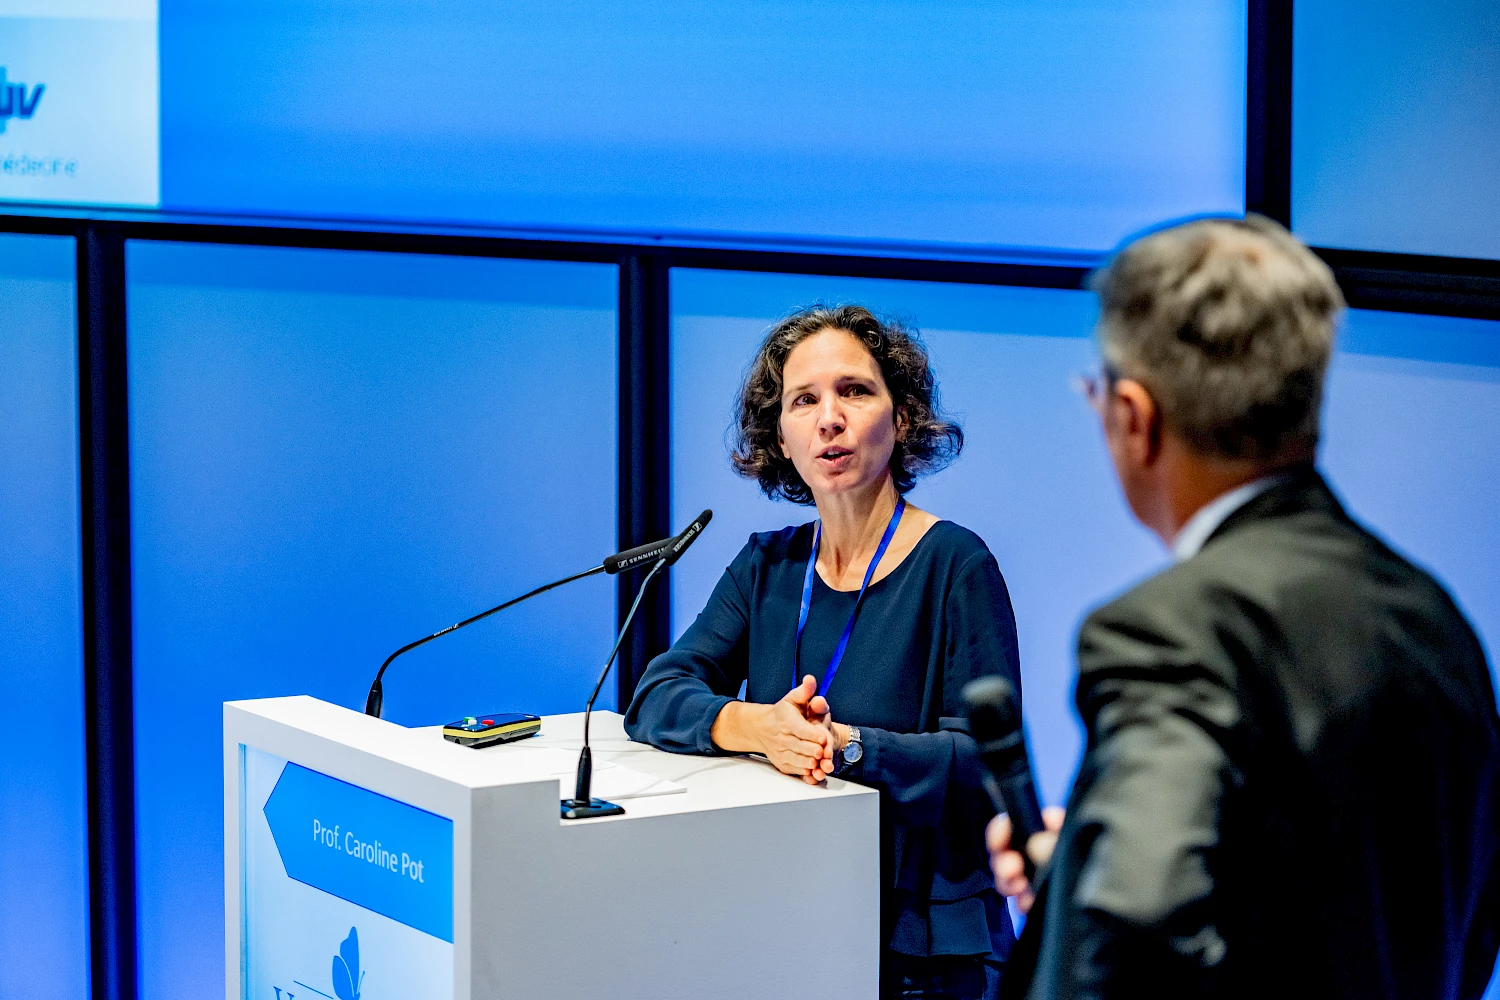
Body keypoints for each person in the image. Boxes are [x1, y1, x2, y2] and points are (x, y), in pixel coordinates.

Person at [986, 215, 1500, 999]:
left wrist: (1092, 929)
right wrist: (1080, 882)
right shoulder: (1434, 617)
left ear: (1135, 417)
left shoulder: (1167, 631)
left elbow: (1140, 930)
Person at [626, 305, 1022, 998]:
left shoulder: (956, 564)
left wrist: (847, 747)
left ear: (902, 419)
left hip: (925, 949)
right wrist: (758, 727)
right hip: (787, 920)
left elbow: (986, 763)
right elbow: (657, 694)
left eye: (855, 391)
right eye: (803, 401)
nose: (829, 419)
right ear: (780, 437)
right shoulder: (766, 567)